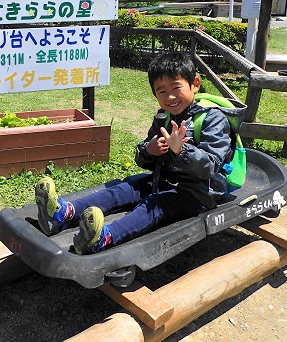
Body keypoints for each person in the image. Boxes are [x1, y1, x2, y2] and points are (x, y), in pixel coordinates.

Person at [35, 51, 245, 254]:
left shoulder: (213, 119)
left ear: (195, 85)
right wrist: (149, 150)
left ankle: (103, 239)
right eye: (161, 91)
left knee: (155, 204)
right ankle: (63, 213)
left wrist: (181, 150)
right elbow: (144, 159)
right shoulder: (163, 118)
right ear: (155, 94)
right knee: (126, 187)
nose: (170, 96)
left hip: (198, 192)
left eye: (176, 87)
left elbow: (210, 166)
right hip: (165, 180)